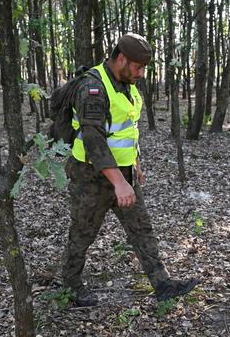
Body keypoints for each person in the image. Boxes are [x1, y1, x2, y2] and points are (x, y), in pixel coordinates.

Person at [62, 33, 199, 307]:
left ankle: (163, 285)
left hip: (123, 174)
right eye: (137, 66)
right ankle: (70, 287)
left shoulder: (126, 85)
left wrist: (134, 164)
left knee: (141, 228)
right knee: (83, 233)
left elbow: (125, 129)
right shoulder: (93, 86)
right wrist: (118, 183)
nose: (141, 73)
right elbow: (93, 139)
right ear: (121, 59)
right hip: (90, 177)